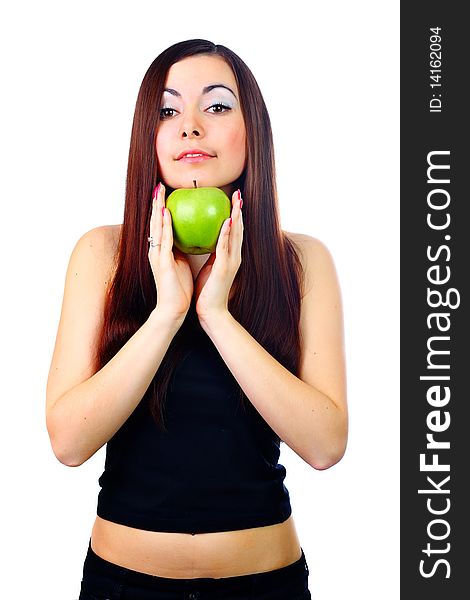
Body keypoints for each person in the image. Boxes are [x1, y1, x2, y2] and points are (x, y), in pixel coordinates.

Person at [46, 39, 348, 600]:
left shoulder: (302, 262)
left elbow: (325, 444)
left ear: (251, 129)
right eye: (167, 110)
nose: (190, 127)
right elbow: (68, 442)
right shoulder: (103, 254)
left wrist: (216, 316)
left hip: (266, 585)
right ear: (148, 137)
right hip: (123, 585)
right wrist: (167, 313)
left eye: (215, 106)